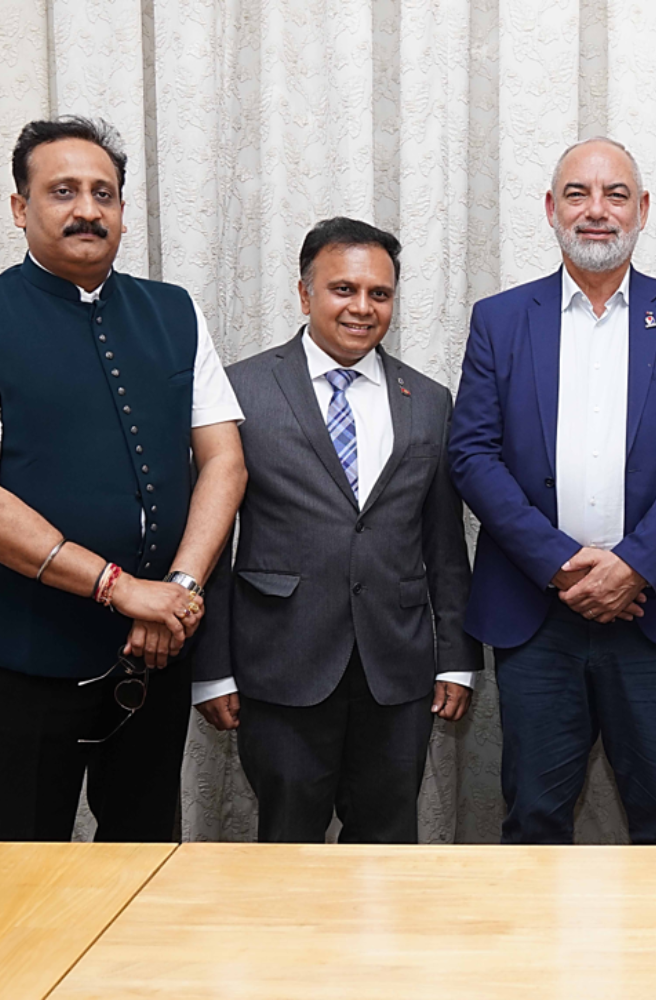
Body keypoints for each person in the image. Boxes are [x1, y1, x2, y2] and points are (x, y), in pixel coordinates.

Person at [0, 116, 247, 842]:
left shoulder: (174, 311)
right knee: (23, 870)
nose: (88, 209)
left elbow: (224, 460)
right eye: (62, 191)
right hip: (26, 654)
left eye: (105, 193)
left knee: (145, 857)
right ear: (20, 208)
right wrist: (125, 591)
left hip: (156, 648)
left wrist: (179, 593)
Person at [448, 137, 656, 845]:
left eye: (615, 195)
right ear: (551, 209)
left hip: (654, 610)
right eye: (578, 193)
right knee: (534, 820)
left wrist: (632, 564)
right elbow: (472, 453)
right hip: (536, 613)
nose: (597, 211)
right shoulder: (500, 318)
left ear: (642, 210)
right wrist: (563, 564)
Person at [192, 217, 479, 844]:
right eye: (343, 289)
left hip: (397, 675)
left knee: (387, 848)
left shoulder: (428, 399)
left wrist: (457, 659)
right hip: (280, 666)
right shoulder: (238, 390)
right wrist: (211, 670)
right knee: (288, 848)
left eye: (379, 293)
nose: (362, 307)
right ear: (304, 295)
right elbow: (210, 543)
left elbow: (444, 543)